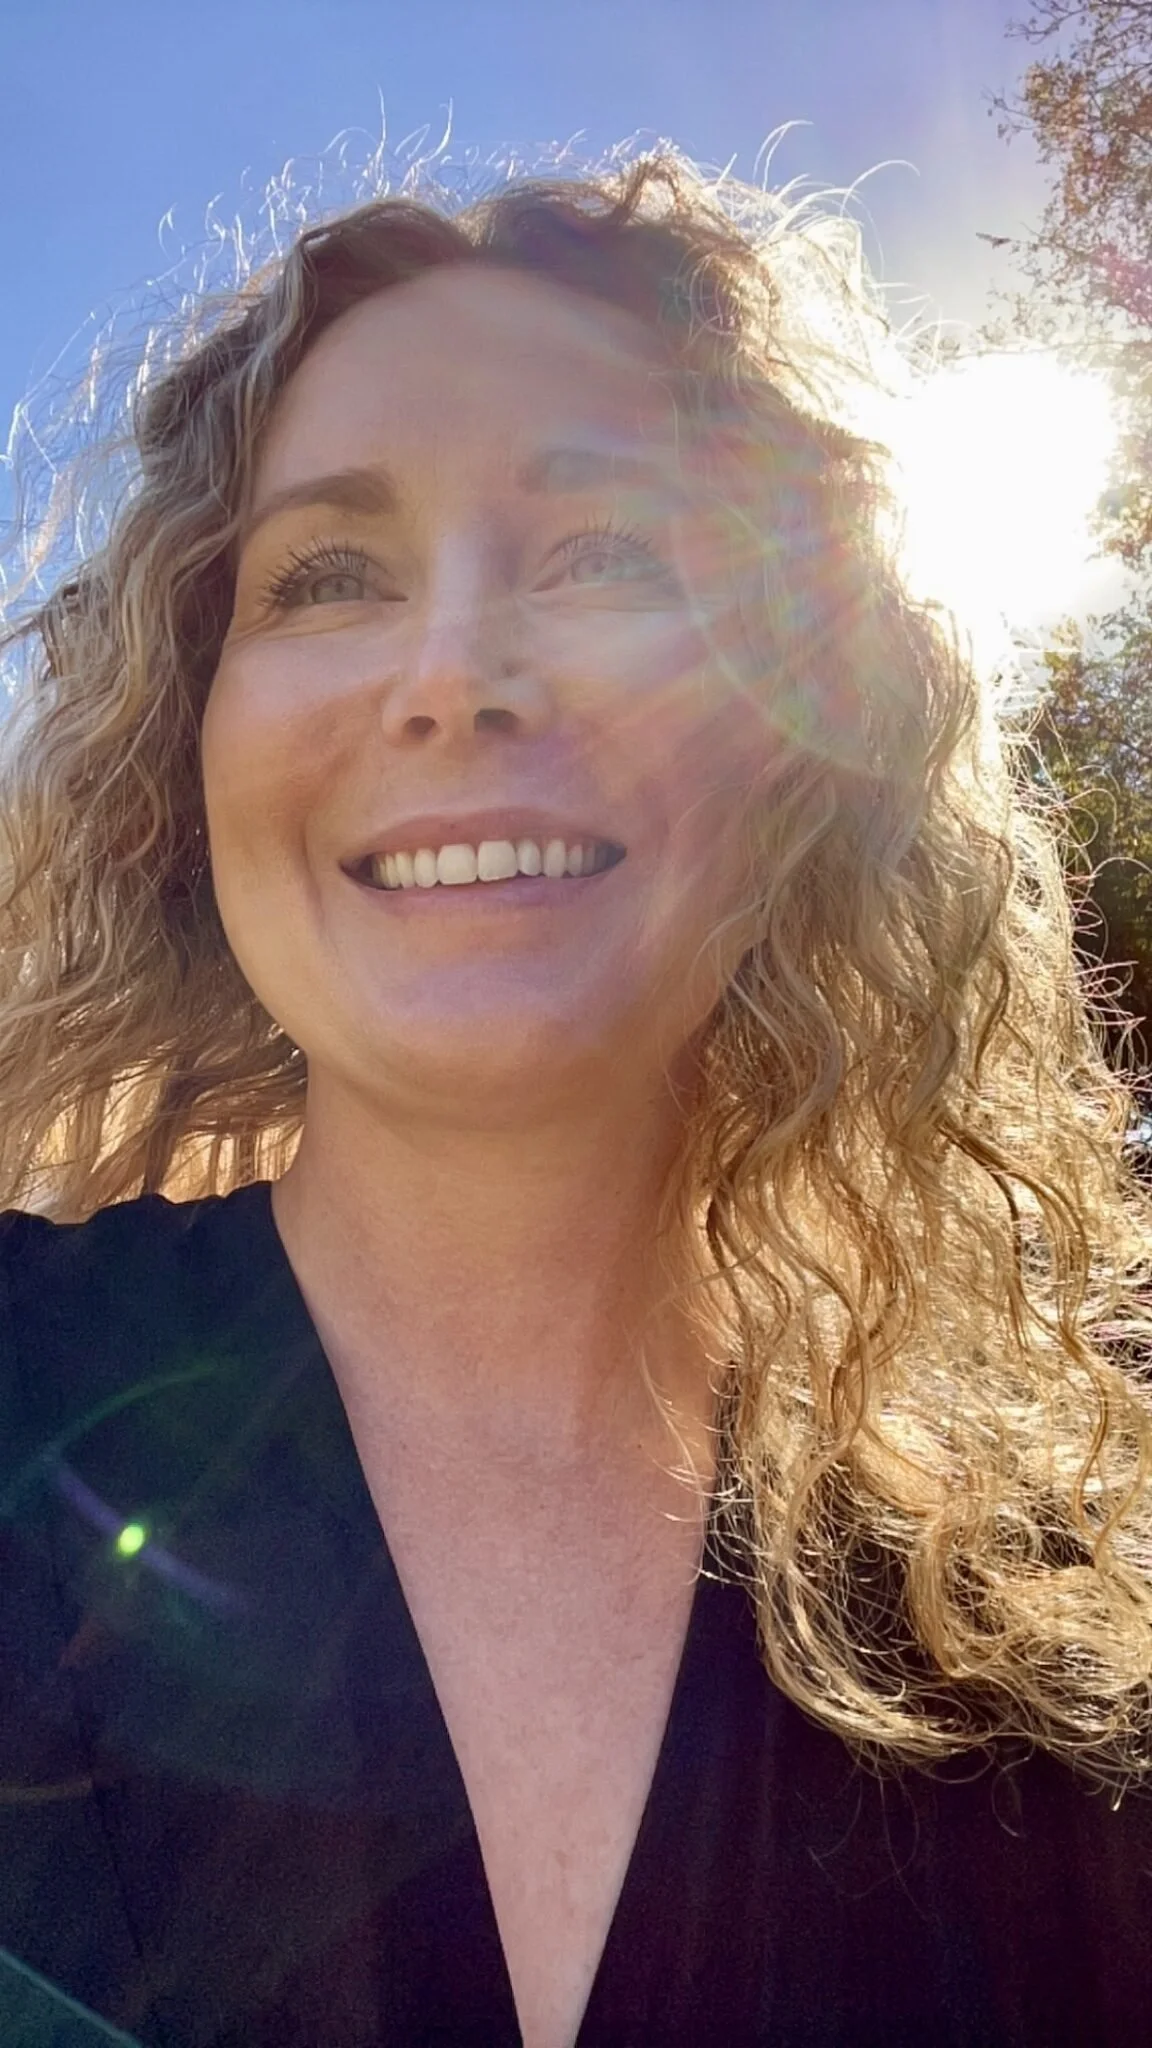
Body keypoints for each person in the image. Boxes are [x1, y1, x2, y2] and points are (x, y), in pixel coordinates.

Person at [2, 150, 1152, 2048]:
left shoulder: (1058, 1643)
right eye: (330, 577)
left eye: (609, 554)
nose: (454, 673)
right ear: (179, 767)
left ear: (805, 747)